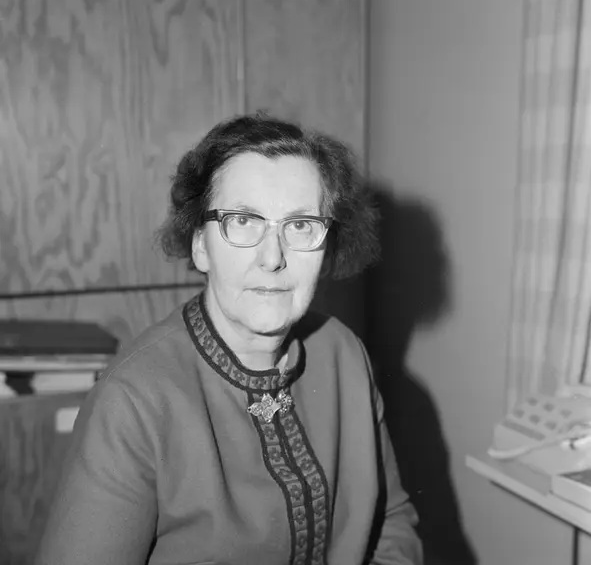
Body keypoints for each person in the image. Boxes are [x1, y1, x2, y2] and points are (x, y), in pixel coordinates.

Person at [34, 113, 422, 565]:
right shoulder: (132, 400)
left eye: (300, 225)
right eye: (243, 220)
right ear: (200, 244)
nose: (273, 258)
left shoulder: (344, 353)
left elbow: (391, 521)